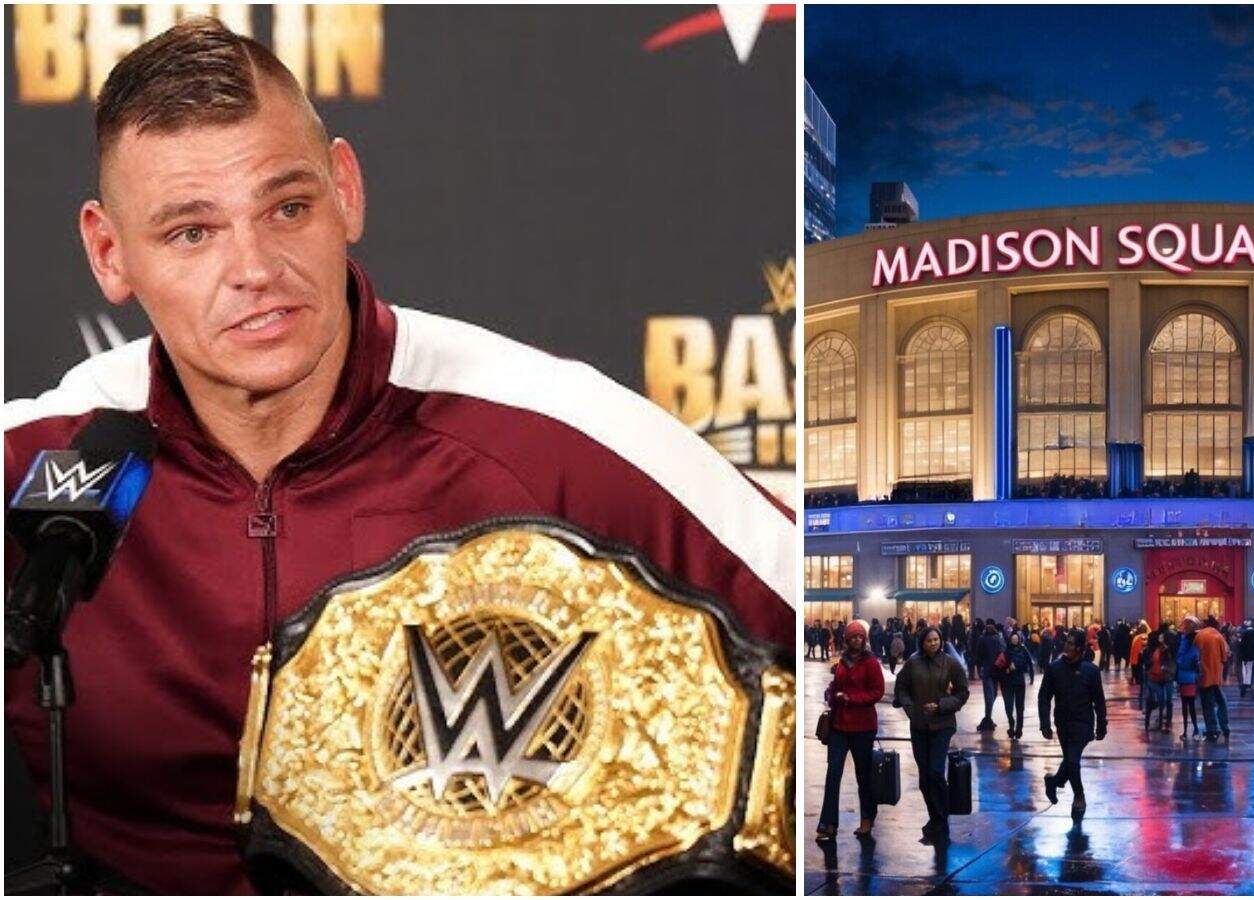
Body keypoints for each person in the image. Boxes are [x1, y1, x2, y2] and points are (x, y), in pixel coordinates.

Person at [2, 19, 794, 895]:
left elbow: (832, 633)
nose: (254, 267)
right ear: (110, 253)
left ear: (346, 189)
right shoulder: (42, 462)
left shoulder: (552, 434)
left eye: (287, 208)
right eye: (192, 233)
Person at [893, 627, 970, 844]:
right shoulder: (913, 663)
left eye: (936, 639)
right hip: (919, 726)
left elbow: (962, 692)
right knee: (925, 778)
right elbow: (902, 688)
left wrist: (941, 705)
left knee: (936, 772)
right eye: (929, 640)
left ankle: (942, 822)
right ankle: (935, 819)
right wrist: (910, 707)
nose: (933, 643)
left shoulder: (950, 663)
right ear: (922, 642)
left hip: (943, 725)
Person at [817, 621, 885, 841]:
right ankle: (828, 824)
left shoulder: (871, 663)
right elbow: (835, 686)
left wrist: (851, 699)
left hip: (863, 727)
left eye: (860, 637)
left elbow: (877, 692)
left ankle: (867, 817)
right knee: (833, 773)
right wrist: (830, 694)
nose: (857, 640)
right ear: (846, 639)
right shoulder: (842, 662)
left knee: (863, 775)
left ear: (864, 640)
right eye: (853, 637)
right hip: (839, 726)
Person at [1038, 630, 1108, 818]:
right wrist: (1044, 723)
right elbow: (1044, 696)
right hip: (1063, 722)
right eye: (1066, 642)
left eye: (1070, 643)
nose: (1066, 646)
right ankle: (1054, 782)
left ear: (1079, 647)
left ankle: (1078, 795)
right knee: (1070, 760)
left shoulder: (1090, 671)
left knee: (1072, 759)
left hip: (1083, 722)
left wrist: (1102, 724)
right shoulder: (1054, 669)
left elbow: (1099, 700)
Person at [1194, 617, 1230, 741]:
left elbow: (1195, 656)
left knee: (1207, 704)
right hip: (1216, 676)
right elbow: (1225, 657)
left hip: (1204, 676)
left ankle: (1212, 730)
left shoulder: (1199, 636)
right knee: (1221, 701)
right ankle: (1225, 726)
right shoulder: (1219, 636)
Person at [999, 629, 1036, 739]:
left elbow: (1029, 663)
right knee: (1008, 707)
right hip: (1008, 682)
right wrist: (1007, 669)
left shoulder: (1023, 650)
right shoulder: (1006, 651)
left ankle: (1019, 729)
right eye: (1013, 639)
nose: (1015, 641)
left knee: (1020, 707)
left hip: (1019, 681)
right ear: (1010, 640)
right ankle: (1011, 724)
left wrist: (1031, 676)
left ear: (1019, 640)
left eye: (1016, 639)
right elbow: (999, 665)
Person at [974, 622, 1006, 731]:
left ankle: (988, 717)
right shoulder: (998, 639)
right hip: (996, 670)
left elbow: (978, 656)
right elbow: (1003, 652)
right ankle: (988, 717)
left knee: (988, 694)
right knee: (994, 693)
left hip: (987, 670)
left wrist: (979, 669)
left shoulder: (982, 639)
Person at [1144, 626, 1177, 731]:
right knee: (1163, 699)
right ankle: (1164, 721)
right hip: (1155, 678)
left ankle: (1167, 721)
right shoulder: (1152, 650)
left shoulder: (1166, 650)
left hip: (1166, 677)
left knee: (1167, 699)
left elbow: (1172, 663)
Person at [1176, 623, 1202, 739]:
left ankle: (1185, 731)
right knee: (1192, 706)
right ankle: (1195, 728)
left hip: (1182, 678)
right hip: (1191, 679)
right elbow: (1196, 664)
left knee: (1184, 706)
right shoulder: (1195, 648)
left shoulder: (1182, 645)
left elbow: (1179, 661)